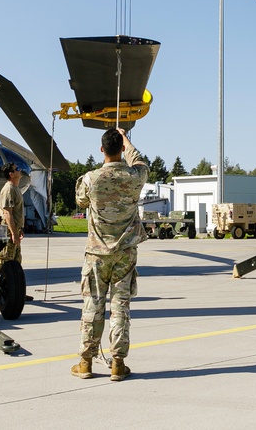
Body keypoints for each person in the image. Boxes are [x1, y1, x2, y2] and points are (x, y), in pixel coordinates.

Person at [70, 128, 148, 382]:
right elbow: (140, 161)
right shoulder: (136, 175)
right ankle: (117, 363)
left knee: (93, 304)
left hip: (96, 253)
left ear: (101, 149)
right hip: (125, 253)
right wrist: (127, 139)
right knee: (120, 305)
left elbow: (80, 201)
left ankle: (85, 362)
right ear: (122, 148)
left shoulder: (91, 179)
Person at [0, 163, 32, 271]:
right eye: (17, 169)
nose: (19, 170)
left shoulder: (16, 188)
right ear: (11, 174)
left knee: (16, 259)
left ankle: (14, 284)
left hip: (14, 228)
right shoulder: (9, 189)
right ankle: (4, 283)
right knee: (6, 258)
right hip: (7, 229)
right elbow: (7, 213)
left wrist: (19, 229)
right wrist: (13, 233)